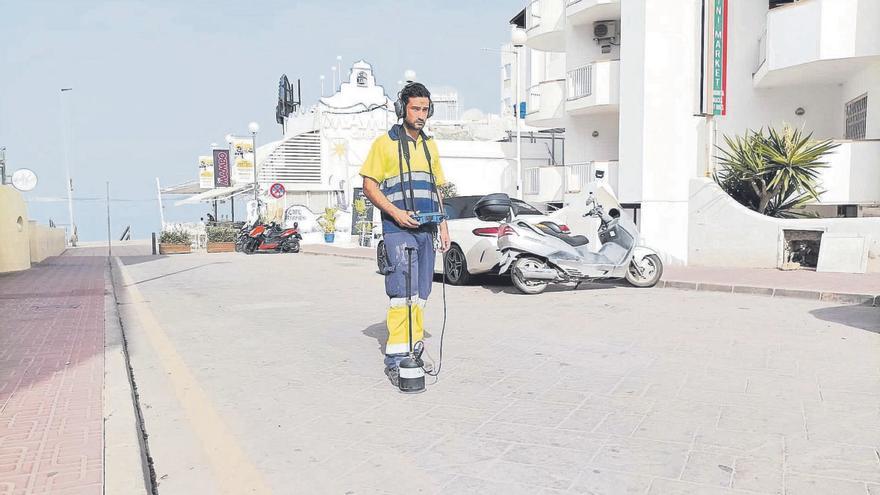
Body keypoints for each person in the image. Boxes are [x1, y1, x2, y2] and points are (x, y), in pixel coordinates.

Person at [359, 82, 450, 386]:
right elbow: (369, 186)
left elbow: (437, 188)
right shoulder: (383, 145)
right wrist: (396, 213)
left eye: (425, 109)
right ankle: (396, 359)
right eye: (415, 108)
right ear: (402, 109)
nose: (421, 114)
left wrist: (443, 225)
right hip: (397, 229)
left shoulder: (429, 145)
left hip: (426, 229)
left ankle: (413, 349)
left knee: (421, 294)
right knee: (402, 293)